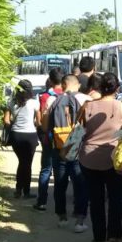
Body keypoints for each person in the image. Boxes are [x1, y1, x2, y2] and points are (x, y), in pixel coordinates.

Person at [76, 71, 122, 242]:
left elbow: (78, 130)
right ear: (118, 88)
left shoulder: (87, 106)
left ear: (98, 87)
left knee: (96, 198)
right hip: (113, 159)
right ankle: (114, 236)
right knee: (115, 198)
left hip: (88, 158)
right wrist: (116, 134)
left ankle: (98, 236)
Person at [44, 74, 89, 232]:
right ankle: (79, 220)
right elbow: (87, 125)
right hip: (77, 148)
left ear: (62, 85)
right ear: (76, 85)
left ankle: (62, 217)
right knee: (80, 183)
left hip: (59, 148)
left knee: (60, 183)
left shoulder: (53, 100)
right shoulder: (84, 100)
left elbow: (45, 125)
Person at [3, 80, 41, 199]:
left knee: (22, 162)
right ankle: (26, 191)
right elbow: (39, 122)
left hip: (16, 136)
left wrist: (15, 123)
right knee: (27, 163)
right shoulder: (35, 103)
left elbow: (6, 121)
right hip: (30, 135)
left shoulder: (11, 102)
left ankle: (18, 190)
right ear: (30, 90)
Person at [33, 68, 64, 211]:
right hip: (64, 138)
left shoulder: (44, 97)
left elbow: (40, 120)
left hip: (49, 138)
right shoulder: (67, 96)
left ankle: (42, 202)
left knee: (46, 169)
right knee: (61, 172)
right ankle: (60, 204)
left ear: (50, 80)